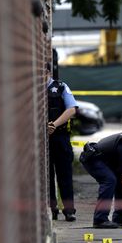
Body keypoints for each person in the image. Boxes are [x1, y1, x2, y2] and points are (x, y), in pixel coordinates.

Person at [47, 63, 77, 221]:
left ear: (47, 72)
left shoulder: (61, 87)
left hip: (60, 137)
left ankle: (69, 209)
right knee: (48, 176)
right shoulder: (35, 89)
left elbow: (72, 109)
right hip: (44, 139)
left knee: (64, 174)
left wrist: (53, 124)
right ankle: (52, 209)